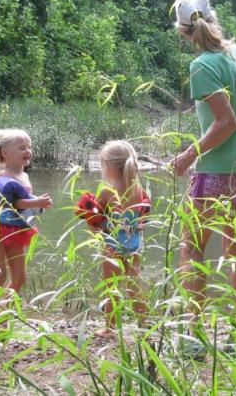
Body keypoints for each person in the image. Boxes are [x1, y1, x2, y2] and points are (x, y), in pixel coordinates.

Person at [169, 0, 236, 358]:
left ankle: (193, 336)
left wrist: (186, 156)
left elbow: (227, 123)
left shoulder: (203, 66)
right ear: (213, 18)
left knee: (192, 246)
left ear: (182, 31)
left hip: (217, 172)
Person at [75, 140, 150, 338]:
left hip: (112, 245)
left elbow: (94, 218)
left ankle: (110, 327)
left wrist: (94, 231)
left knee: (112, 287)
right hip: (134, 243)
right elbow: (141, 218)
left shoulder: (107, 190)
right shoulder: (139, 190)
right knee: (134, 284)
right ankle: (144, 323)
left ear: (107, 166)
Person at [0, 129, 52, 294]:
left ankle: (4, 313)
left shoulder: (25, 176)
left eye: (29, 147)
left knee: (19, 278)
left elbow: (25, 198)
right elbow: (12, 203)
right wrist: (36, 202)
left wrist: (38, 202)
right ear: (5, 153)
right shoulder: (4, 175)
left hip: (16, 230)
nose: (28, 151)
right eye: (22, 148)